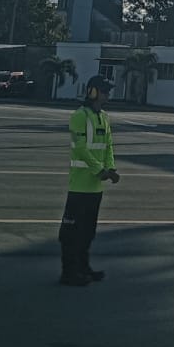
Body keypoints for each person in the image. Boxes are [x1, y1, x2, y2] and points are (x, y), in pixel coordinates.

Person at [60, 75, 119, 286]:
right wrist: (99, 170)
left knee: (87, 232)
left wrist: (111, 168)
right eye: (103, 91)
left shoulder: (103, 117)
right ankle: (69, 273)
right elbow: (80, 148)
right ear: (92, 92)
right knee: (70, 233)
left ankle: (83, 268)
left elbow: (108, 146)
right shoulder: (79, 116)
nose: (107, 95)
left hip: (95, 188)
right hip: (80, 185)